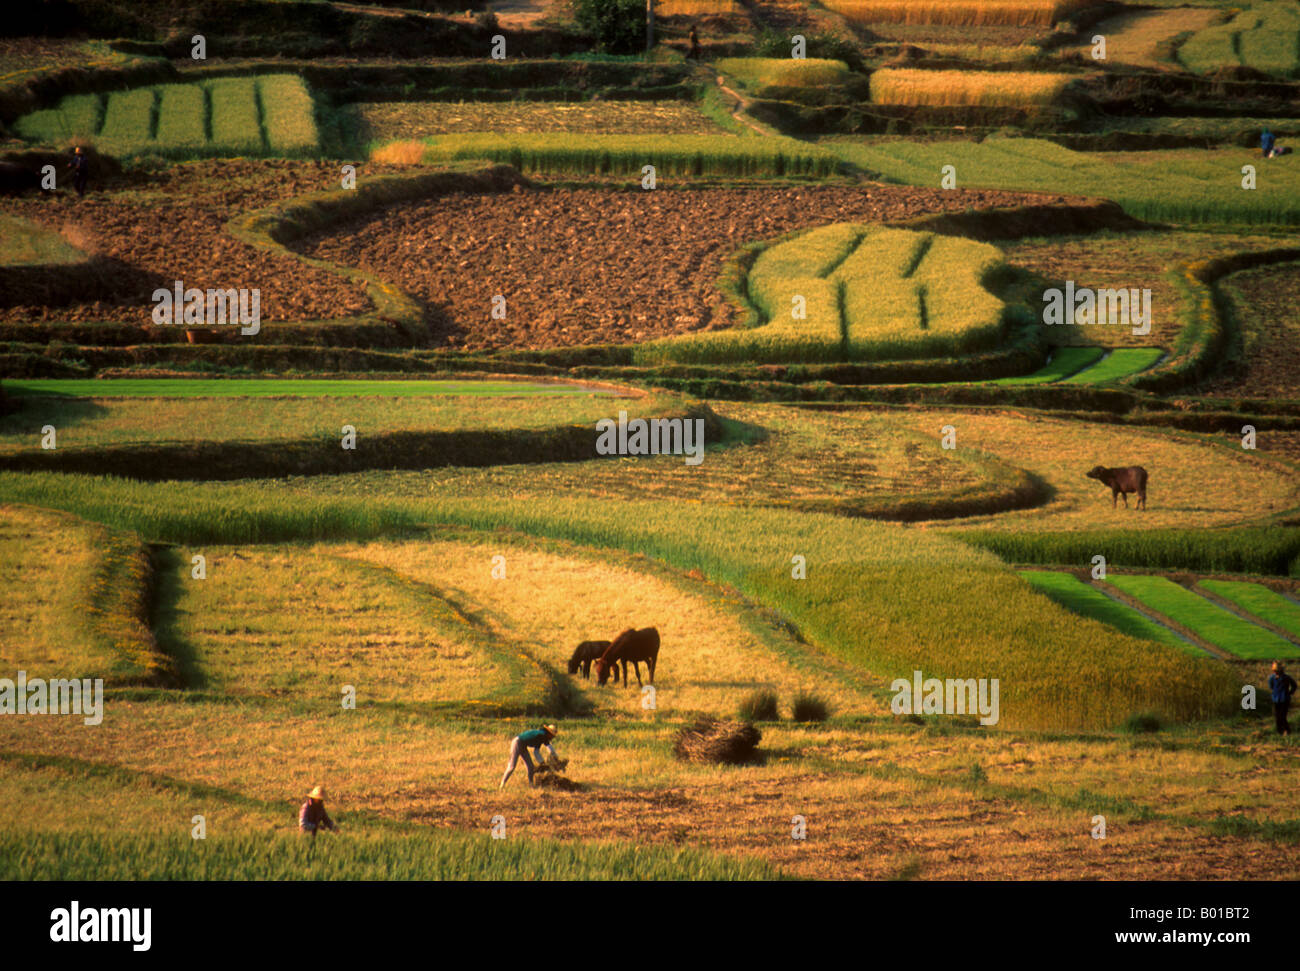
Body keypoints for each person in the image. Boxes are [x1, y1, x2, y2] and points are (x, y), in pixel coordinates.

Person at [499, 724, 559, 788]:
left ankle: (531, 784)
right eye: (552, 736)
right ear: (549, 733)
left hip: (523, 745)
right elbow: (545, 749)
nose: (552, 738)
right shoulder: (541, 735)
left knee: (531, 767)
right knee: (512, 766)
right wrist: (545, 761)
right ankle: (502, 784)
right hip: (517, 742)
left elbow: (537, 751)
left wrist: (544, 762)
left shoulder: (542, 736)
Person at [1268, 661, 1297, 736]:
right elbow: (1271, 686)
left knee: (1283, 716)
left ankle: (1287, 730)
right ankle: (1279, 731)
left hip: (1285, 699)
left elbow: (1294, 685)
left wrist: (1290, 693)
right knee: (1277, 716)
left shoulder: (1286, 678)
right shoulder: (1272, 678)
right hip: (1276, 699)